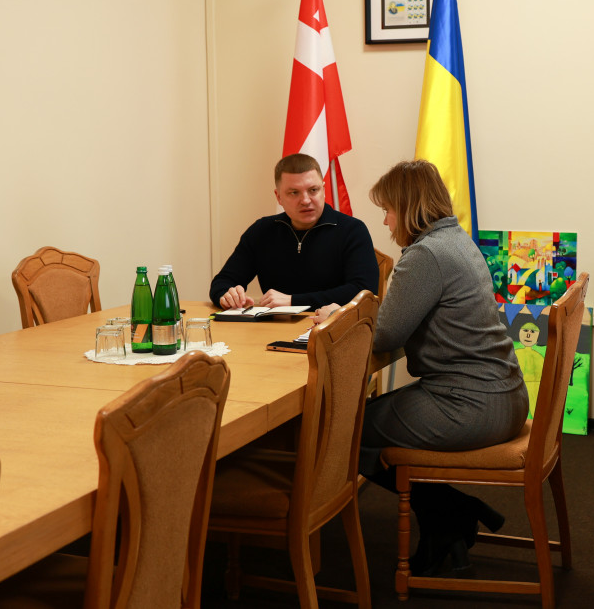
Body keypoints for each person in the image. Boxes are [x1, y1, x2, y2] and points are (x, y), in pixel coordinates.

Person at [312, 159, 528, 576]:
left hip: (470, 406)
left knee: (342, 429)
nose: (386, 222)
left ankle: (449, 515)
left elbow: (383, 336)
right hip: (504, 396)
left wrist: (337, 317)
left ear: (408, 207)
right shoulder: (456, 240)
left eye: (388, 210)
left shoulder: (426, 254)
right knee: (364, 421)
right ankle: (449, 518)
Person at [209, 153, 379, 309]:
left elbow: (364, 290)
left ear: (323, 190)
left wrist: (293, 301)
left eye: (313, 190)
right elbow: (223, 282)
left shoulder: (352, 230)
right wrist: (227, 296)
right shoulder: (262, 231)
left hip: (332, 328)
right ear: (278, 197)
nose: (305, 200)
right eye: (294, 193)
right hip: (275, 328)